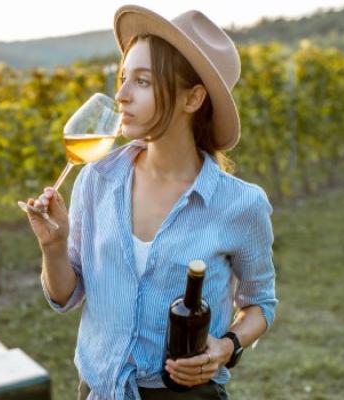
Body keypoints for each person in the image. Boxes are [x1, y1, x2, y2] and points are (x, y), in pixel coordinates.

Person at [23, 5, 278, 400]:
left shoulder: (240, 204)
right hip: (98, 389)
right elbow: (66, 295)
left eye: (141, 81)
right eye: (123, 78)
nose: (121, 96)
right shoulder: (97, 179)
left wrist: (225, 347)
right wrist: (53, 247)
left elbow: (259, 303)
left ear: (192, 98)